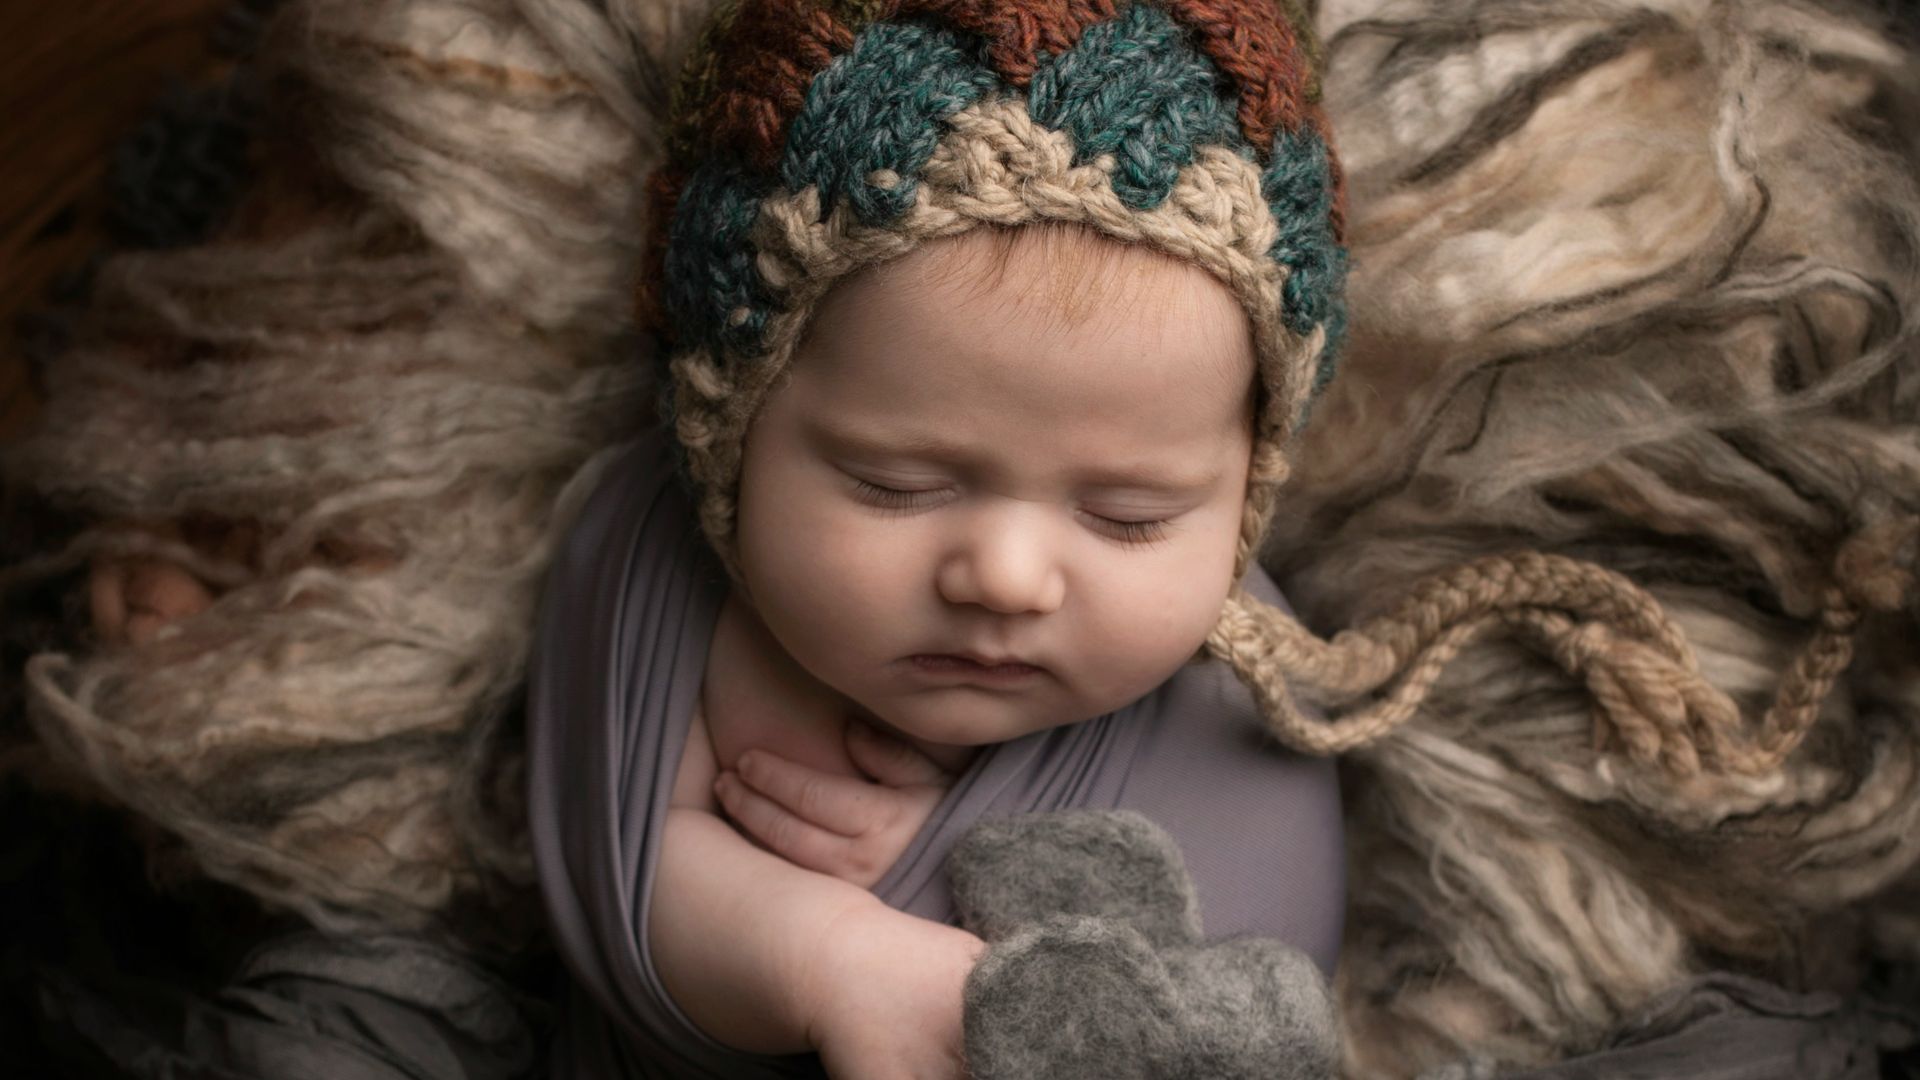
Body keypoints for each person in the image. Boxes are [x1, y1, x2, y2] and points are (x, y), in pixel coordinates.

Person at [524, 1, 1352, 1077]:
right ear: (727, 431)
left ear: (1247, 486)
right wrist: (833, 956)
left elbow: (1250, 999)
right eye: (894, 484)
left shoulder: (1234, 715)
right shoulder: (665, 585)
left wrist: (968, 871)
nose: (1005, 579)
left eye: (1129, 515)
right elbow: (624, 875)